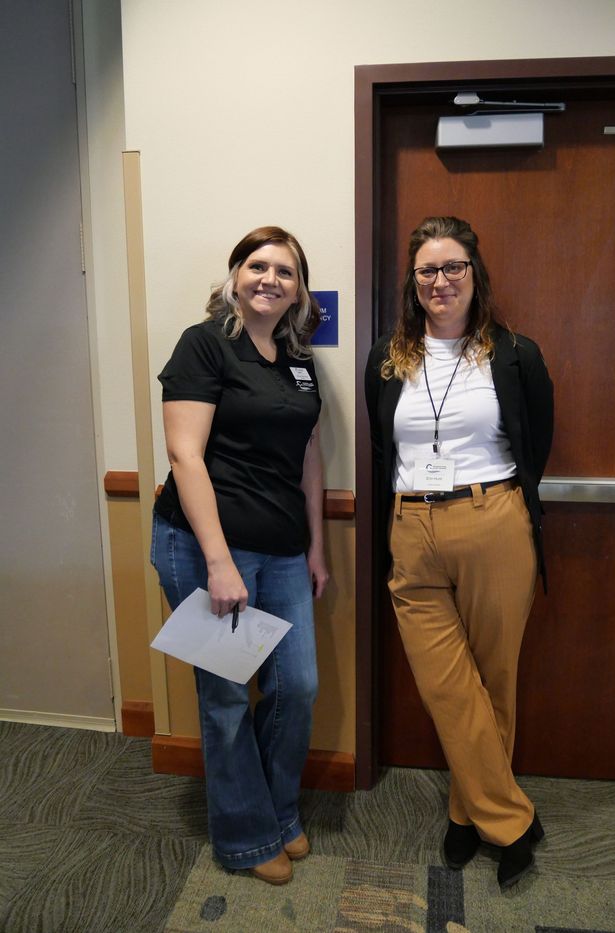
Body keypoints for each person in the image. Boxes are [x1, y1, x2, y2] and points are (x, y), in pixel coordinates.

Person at [365, 216, 553, 890]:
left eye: (453, 267)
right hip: (410, 526)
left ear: (475, 275)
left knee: (493, 679)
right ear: (412, 282)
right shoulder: (387, 358)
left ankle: (466, 812)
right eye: (427, 269)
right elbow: (381, 448)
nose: (440, 280)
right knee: (447, 685)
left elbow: (536, 444)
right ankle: (511, 819)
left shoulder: (515, 354)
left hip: (492, 519)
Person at [151, 226, 329, 886]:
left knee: (296, 687)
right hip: (203, 547)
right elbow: (184, 454)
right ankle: (246, 836)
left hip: (282, 549)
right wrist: (219, 562)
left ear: (299, 291)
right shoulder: (204, 344)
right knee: (226, 695)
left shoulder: (299, 360)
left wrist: (317, 548)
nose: (269, 279)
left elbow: (309, 456)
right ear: (234, 277)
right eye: (257, 265)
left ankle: (278, 813)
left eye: (285, 271)